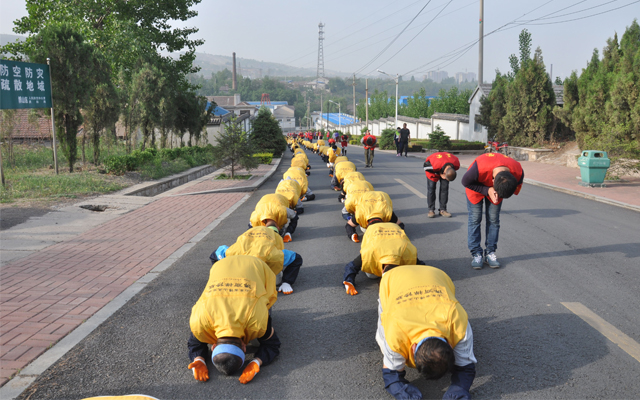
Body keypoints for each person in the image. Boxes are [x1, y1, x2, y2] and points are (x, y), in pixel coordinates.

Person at [376, 264, 477, 400]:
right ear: (450, 345)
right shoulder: (395, 328)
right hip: (393, 278)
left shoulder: (458, 318)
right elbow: (391, 374)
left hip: (437, 274)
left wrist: (456, 394)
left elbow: (466, 367)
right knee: (384, 339)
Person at [187, 255, 281, 384]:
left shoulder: (257, 323)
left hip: (256, 265)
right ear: (214, 347)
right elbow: (195, 342)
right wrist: (198, 359)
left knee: (264, 311)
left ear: (244, 347)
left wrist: (257, 361)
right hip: (221, 264)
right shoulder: (199, 323)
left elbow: (273, 344)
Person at [461, 153, 524, 269]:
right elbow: (465, 182)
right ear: (493, 179)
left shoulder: (518, 172)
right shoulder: (478, 167)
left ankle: (490, 252)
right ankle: (476, 253)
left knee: (494, 220)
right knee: (475, 219)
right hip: (475, 187)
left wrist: (497, 192)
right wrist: (487, 189)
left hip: (498, 189)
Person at [211, 226, 303, 295]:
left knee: (275, 282)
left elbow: (296, 258)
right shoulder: (234, 252)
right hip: (251, 249)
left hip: (261, 254)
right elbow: (215, 254)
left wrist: (287, 281)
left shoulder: (272, 255)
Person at [342, 222, 424, 295]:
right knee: (372, 276)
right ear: (382, 271)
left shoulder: (408, 254)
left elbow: (423, 267)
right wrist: (348, 281)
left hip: (393, 227)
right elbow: (351, 266)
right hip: (373, 228)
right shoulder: (370, 254)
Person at [424, 152, 461, 218]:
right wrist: (439, 173)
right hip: (433, 170)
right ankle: (431, 210)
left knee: (445, 188)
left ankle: (443, 210)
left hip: (444, 167)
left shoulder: (456, 164)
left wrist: (445, 175)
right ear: (444, 173)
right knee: (431, 189)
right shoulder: (432, 165)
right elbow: (425, 167)